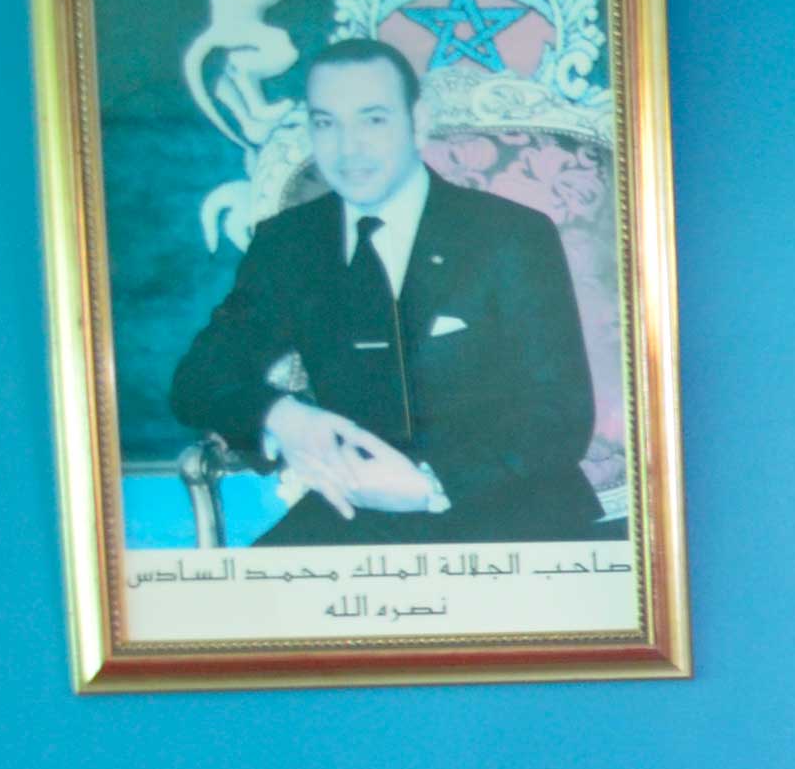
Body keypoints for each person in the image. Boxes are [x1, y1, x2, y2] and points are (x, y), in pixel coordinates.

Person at [170, 36, 607, 546]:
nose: (347, 148)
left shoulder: (510, 234)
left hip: (509, 510)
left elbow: (560, 413)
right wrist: (282, 417)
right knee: (248, 616)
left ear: (418, 122)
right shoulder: (289, 243)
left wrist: (428, 484)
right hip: (356, 516)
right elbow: (198, 379)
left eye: (373, 119)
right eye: (325, 123)